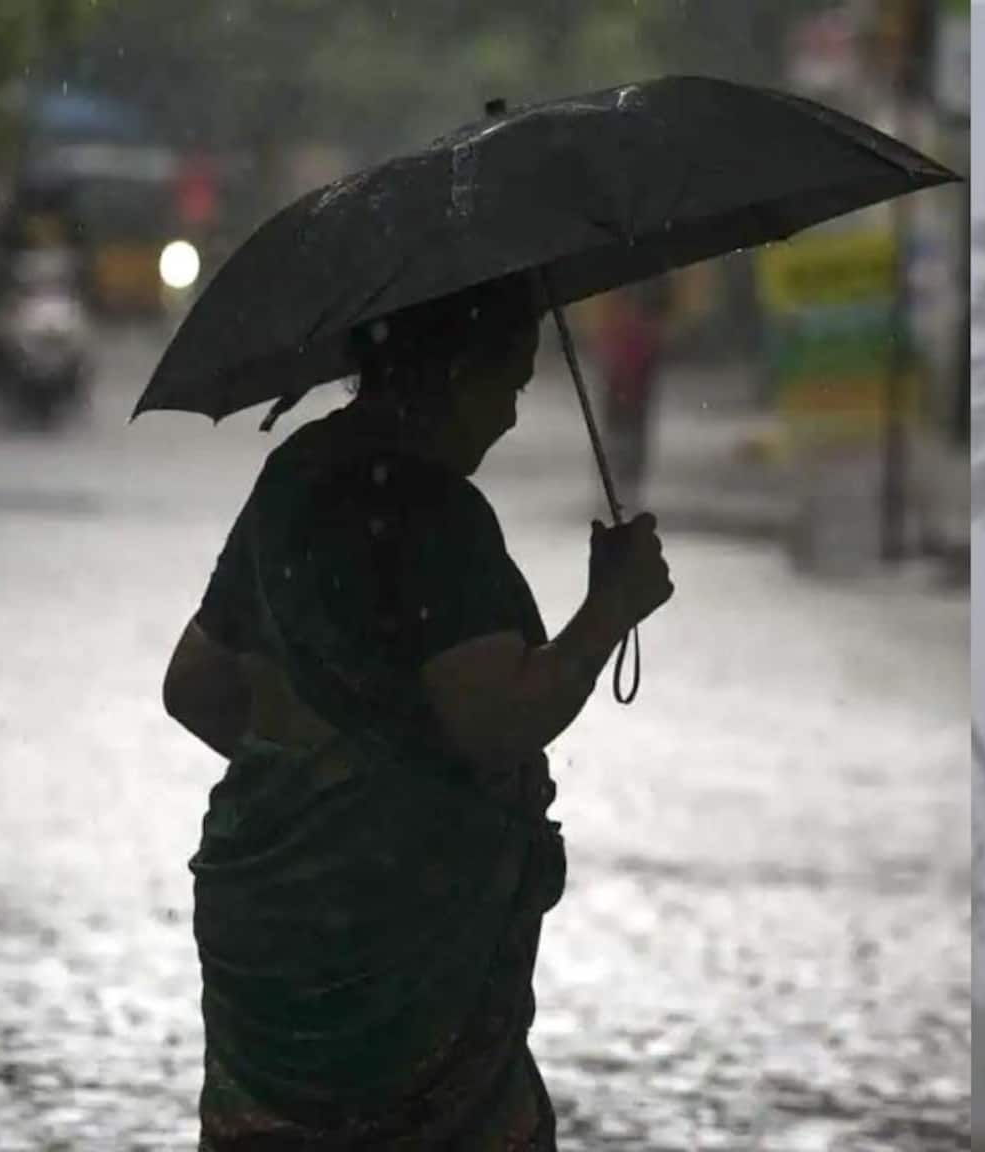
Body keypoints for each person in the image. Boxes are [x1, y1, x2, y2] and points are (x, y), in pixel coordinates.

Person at [159, 275, 672, 1148]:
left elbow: (195, 686)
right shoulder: (434, 512)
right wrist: (609, 611)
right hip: (399, 961)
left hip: (266, 941)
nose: (509, 417)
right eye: (508, 383)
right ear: (454, 371)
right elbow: (493, 724)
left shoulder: (295, 476)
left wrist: (315, 774)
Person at [598, 276, 671, 509]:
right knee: (622, 422)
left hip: (636, 354)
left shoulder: (651, 287)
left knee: (631, 421)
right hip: (624, 354)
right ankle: (618, 478)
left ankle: (626, 479)